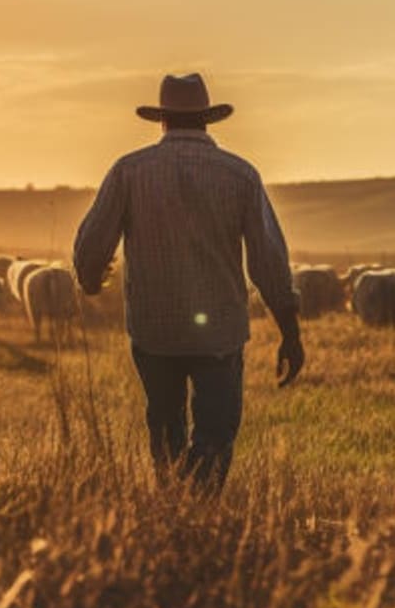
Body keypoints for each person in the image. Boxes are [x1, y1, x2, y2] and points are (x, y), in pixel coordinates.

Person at [73, 72, 304, 494]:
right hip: (219, 330)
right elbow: (268, 259)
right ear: (206, 120)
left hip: (154, 329)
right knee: (214, 433)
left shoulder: (129, 171)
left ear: (162, 121)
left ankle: (172, 505)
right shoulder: (240, 176)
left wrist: (90, 278)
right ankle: (199, 508)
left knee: (165, 424)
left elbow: (92, 243)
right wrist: (290, 330)